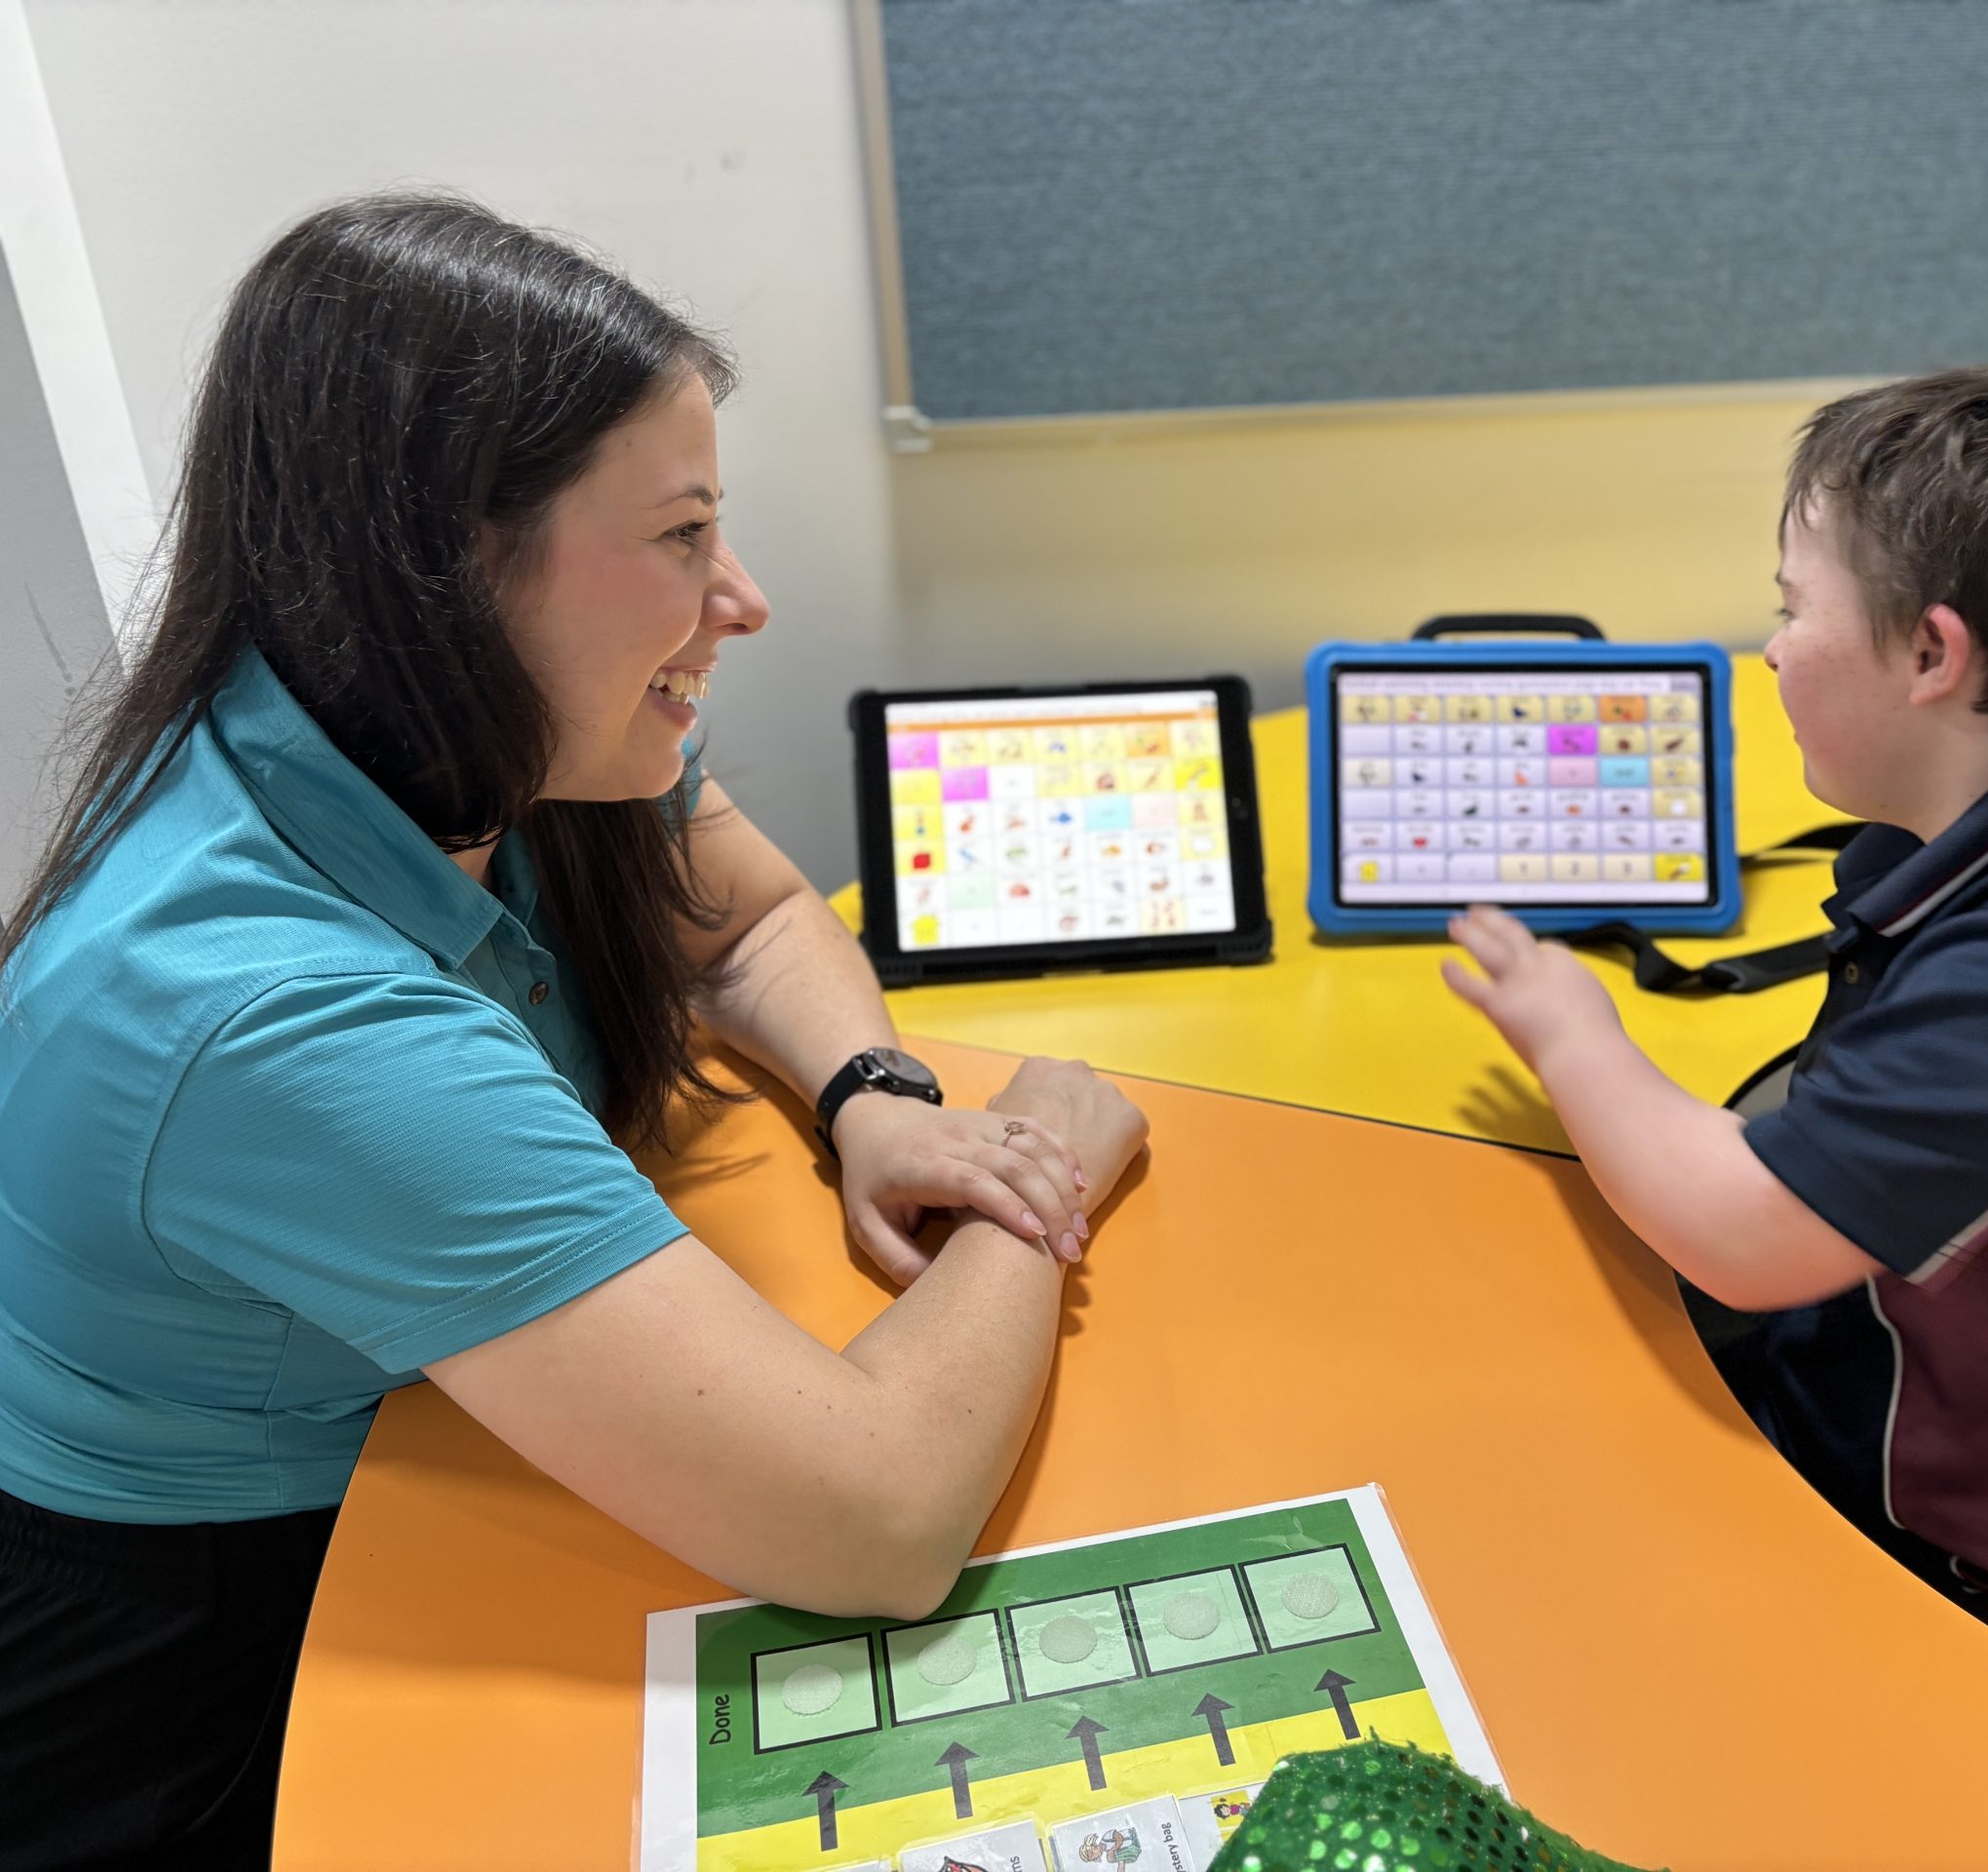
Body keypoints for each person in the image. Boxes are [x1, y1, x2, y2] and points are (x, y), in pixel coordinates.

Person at [0, 194, 1147, 1869]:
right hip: (199, 1675)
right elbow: (882, 1515)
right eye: (681, 536)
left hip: (432, 1478)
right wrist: (1043, 1176)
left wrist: (875, 1096)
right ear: (451, 570)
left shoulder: (447, 725)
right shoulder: (273, 1015)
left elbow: (747, 917)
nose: (740, 602)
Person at [1443, 360, 1988, 1754]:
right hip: (1906, 1449)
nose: (1773, 649)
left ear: (1932, 655)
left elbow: (1745, 1236)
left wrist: (1570, 1026)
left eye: (1795, 609)